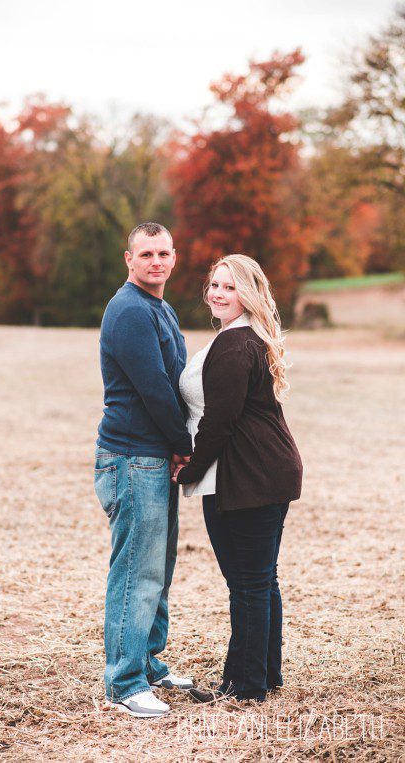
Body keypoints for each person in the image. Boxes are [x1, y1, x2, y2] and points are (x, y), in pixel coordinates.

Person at [173, 254, 303, 703]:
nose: (217, 293)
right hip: (264, 472)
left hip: (250, 476)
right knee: (261, 579)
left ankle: (244, 686)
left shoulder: (234, 344)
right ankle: (264, 674)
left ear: (246, 294)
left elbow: (218, 423)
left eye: (229, 287)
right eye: (214, 284)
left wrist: (187, 469)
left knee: (248, 583)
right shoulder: (240, 337)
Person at [94, 222, 196, 718]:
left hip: (154, 456)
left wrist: (176, 446)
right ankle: (125, 682)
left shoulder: (160, 307)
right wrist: (183, 444)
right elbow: (155, 388)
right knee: (137, 569)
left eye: (163, 253)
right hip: (133, 458)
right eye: (146, 253)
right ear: (128, 259)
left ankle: (149, 663)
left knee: (158, 568)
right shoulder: (130, 310)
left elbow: (174, 380)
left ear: (174, 257)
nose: (156, 261)